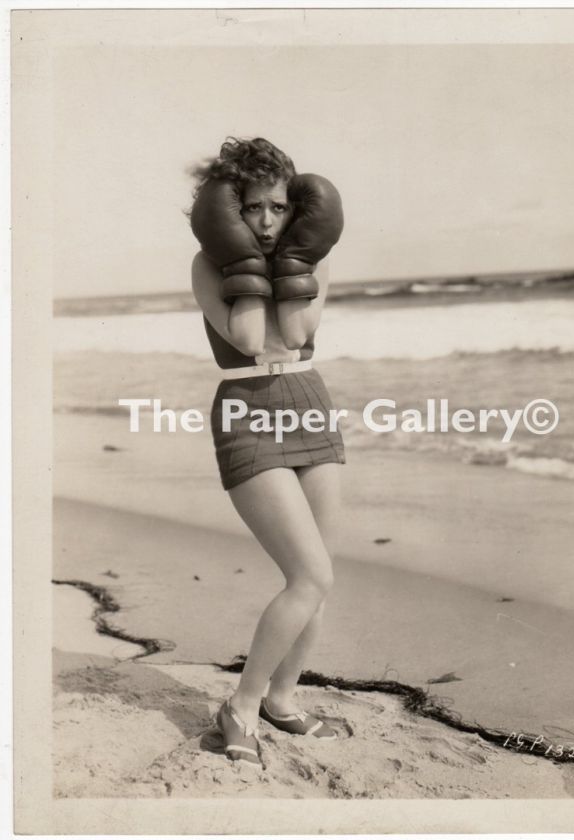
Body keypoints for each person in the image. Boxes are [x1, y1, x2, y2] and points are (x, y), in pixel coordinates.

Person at [188, 137, 346, 766]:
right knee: (309, 576)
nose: (266, 221)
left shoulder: (314, 257)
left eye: (278, 208)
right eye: (251, 208)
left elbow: (301, 334)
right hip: (245, 408)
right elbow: (252, 337)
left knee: (319, 580)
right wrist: (246, 261)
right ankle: (242, 706)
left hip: (309, 397)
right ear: (229, 209)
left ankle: (282, 698)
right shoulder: (208, 264)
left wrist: (293, 262)